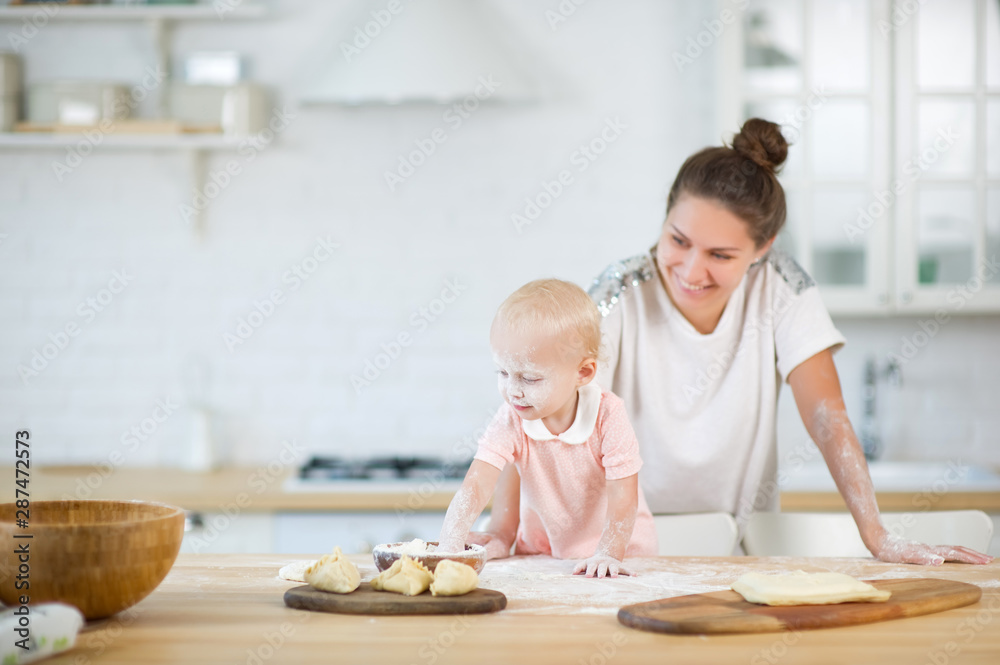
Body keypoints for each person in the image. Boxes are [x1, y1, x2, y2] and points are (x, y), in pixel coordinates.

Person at [470, 119, 992, 566]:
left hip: (733, 544)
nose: (690, 270)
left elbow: (826, 418)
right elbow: (537, 415)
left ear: (762, 248)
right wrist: (503, 528)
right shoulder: (621, 290)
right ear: (666, 215)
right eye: (677, 240)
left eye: (720, 255)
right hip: (615, 545)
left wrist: (877, 535)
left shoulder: (782, 288)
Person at [437, 279, 658, 578]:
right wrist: (453, 545)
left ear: (583, 372)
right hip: (542, 558)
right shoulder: (512, 417)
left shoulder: (608, 414)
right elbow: (479, 483)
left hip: (618, 559)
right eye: (503, 372)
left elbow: (623, 495)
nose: (513, 391)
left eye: (529, 378)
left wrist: (608, 553)